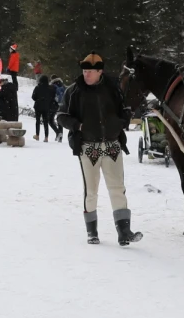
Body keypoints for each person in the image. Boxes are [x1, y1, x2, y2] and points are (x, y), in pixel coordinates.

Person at [57, 52, 142, 247]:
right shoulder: (73, 91)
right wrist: (78, 126)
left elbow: (125, 109)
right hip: (88, 147)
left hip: (112, 145)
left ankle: (124, 232)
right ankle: (92, 231)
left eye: (90, 72)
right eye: (85, 71)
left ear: (100, 72)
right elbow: (61, 116)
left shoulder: (112, 88)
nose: (86, 75)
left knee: (118, 188)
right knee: (91, 191)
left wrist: (121, 122)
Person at [32, 75, 59, 142]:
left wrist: (38, 99)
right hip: (46, 106)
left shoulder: (37, 87)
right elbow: (52, 97)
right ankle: (46, 137)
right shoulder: (50, 88)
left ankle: (37, 135)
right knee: (45, 122)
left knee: (37, 121)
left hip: (38, 106)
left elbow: (33, 97)